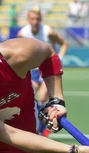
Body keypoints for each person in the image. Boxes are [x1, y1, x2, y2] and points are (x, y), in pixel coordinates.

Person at [18, 7, 68, 136]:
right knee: (30, 94)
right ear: (28, 19)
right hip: (33, 69)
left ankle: (41, 131)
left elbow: (64, 44)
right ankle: (38, 125)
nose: (35, 21)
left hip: (48, 68)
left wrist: (59, 59)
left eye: (37, 19)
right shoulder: (23, 33)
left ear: (41, 19)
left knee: (42, 97)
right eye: (32, 19)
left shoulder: (48, 32)